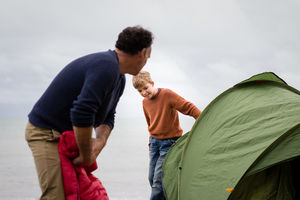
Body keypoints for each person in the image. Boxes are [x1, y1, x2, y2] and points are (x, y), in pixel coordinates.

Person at [25, 25, 153, 200]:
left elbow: (108, 117)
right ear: (142, 52)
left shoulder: (119, 77)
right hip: (46, 133)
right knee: (57, 196)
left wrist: (100, 142)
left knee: (80, 193)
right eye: (148, 56)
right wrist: (86, 156)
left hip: (68, 137)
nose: (148, 60)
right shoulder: (106, 66)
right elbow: (81, 113)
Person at [132, 71, 201, 200]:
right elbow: (150, 125)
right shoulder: (145, 103)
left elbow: (189, 107)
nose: (144, 92)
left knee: (158, 182)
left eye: (145, 88)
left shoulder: (167, 94)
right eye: (140, 91)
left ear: (152, 83)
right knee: (152, 178)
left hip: (169, 143)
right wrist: (150, 144)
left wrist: (203, 120)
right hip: (154, 143)